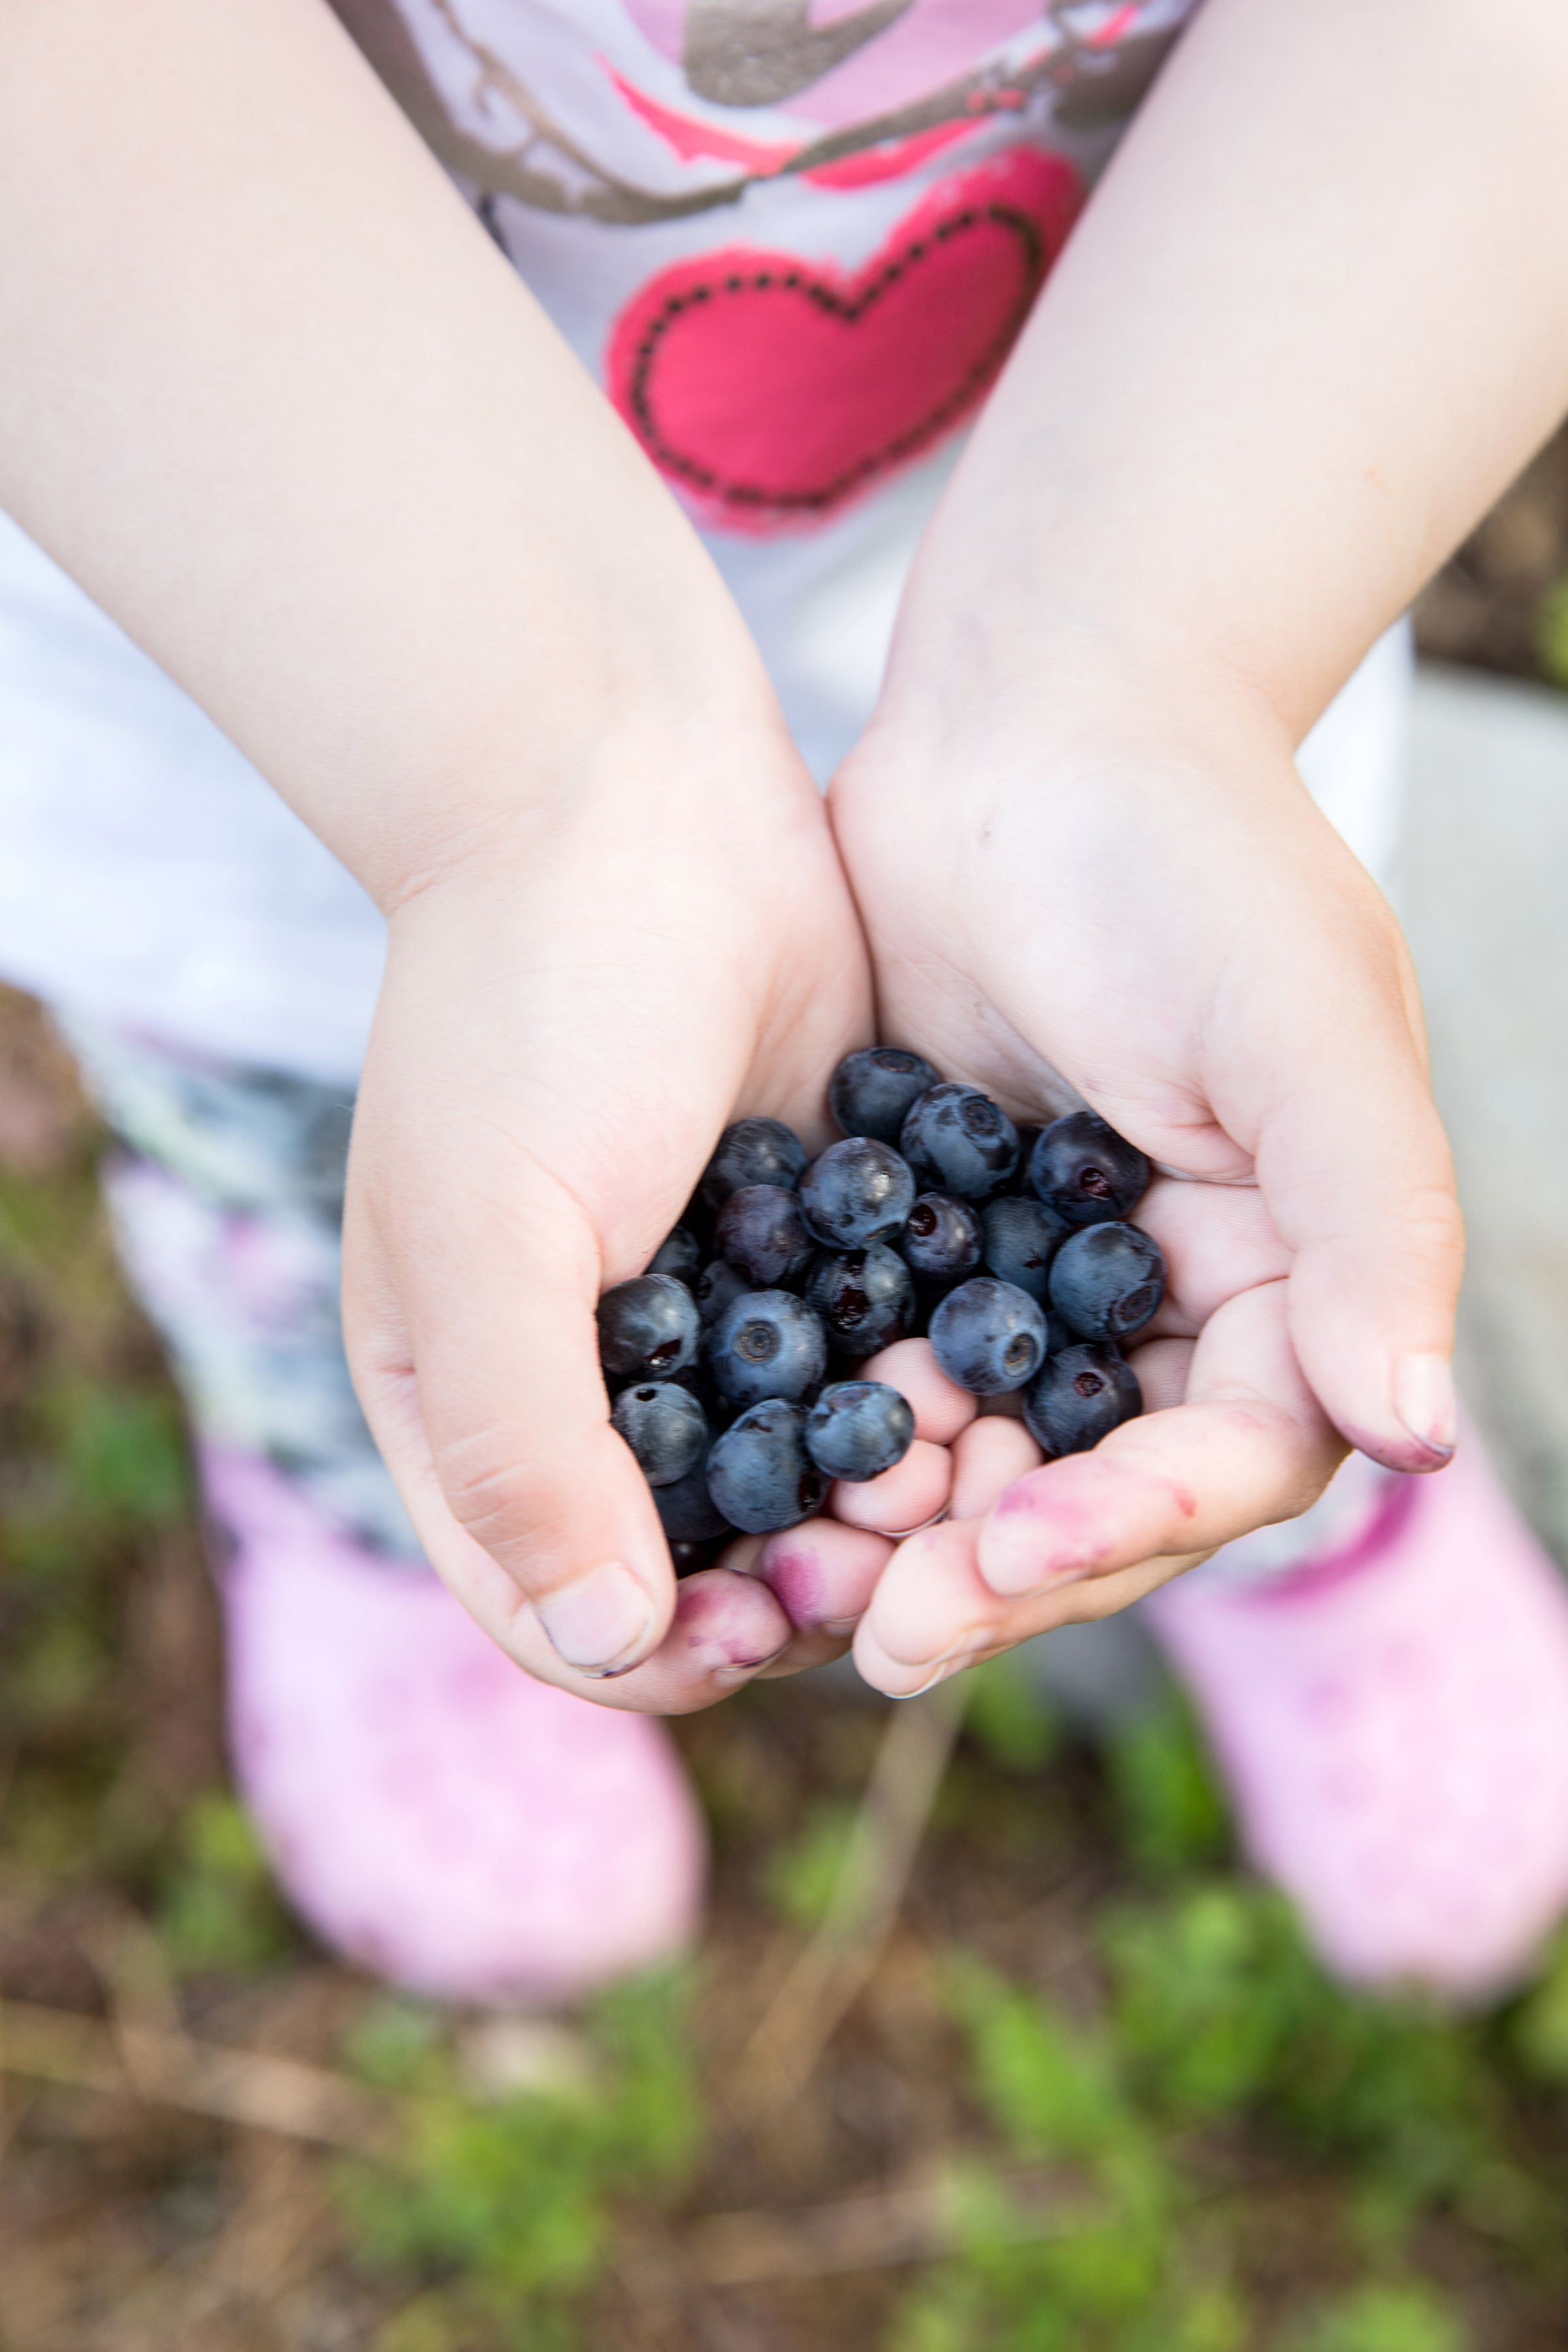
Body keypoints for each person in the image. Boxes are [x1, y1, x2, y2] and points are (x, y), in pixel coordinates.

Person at [3, 0, 1568, 2005]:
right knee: (344, 1182)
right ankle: (381, 1510)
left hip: (1179, 491)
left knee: (1201, 1127)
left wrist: (1137, 674)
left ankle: (1294, 1524)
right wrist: (529, 784)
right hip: (240, 584)